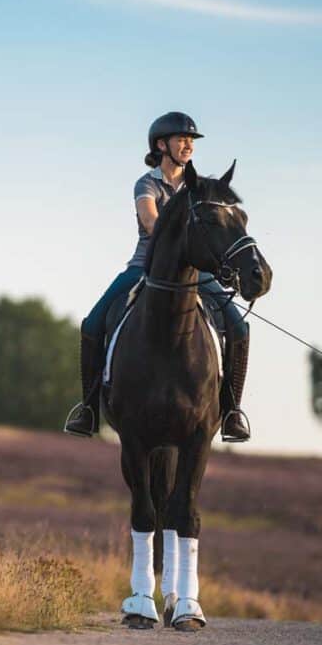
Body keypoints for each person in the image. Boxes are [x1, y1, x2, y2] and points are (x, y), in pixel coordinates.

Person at [63, 112, 251, 442]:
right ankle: (89, 408)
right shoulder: (147, 183)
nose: (188, 145)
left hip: (196, 272)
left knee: (238, 326)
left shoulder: (201, 188)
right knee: (92, 324)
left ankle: (232, 410)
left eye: (191, 140)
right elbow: (151, 222)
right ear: (161, 145)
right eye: (182, 139)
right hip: (145, 268)